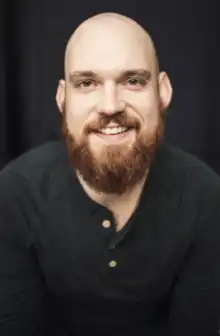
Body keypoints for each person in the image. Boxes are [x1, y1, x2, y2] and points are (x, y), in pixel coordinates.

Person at [0, 12, 220, 336]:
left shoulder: (207, 197)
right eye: (87, 83)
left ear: (163, 92)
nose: (110, 105)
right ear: (63, 99)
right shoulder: (13, 195)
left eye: (132, 81)